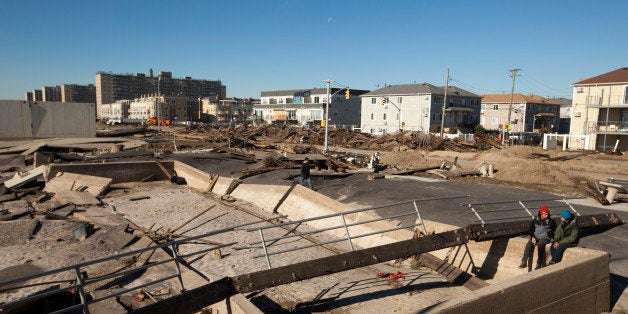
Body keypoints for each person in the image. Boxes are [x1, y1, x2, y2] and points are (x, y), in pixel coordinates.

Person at [519, 205, 556, 270]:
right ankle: (524, 261)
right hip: (535, 237)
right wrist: (532, 237)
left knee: (541, 245)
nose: (546, 216)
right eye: (545, 214)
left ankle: (539, 263)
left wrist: (551, 237)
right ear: (541, 213)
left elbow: (554, 231)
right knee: (528, 244)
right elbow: (531, 230)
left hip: (545, 237)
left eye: (547, 214)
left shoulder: (551, 221)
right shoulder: (535, 220)